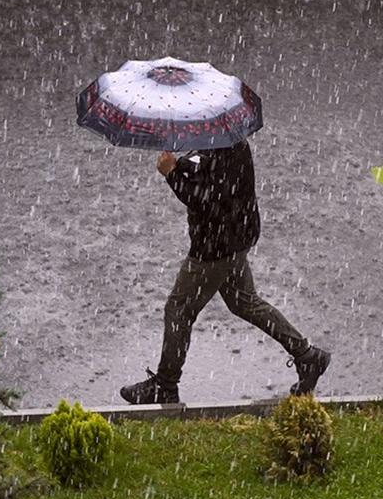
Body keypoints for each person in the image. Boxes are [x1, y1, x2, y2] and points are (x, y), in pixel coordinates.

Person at [119, 138, 331, 404]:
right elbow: (206, 171)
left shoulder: (223, 146)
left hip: (215, 247)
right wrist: (182, 163)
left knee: (179, 309)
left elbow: (207, 201)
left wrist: (172, 174)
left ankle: (166, 384)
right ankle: (308, 356)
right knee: (244, 302)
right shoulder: (225, 138)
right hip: (234, 238)